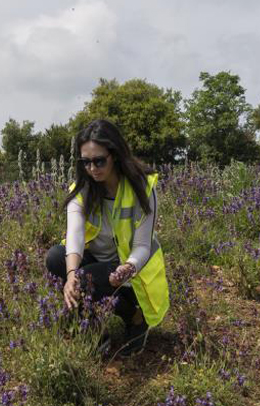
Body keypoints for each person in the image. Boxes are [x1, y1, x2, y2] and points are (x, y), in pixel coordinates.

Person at [45, 119, 169, 355]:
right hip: (97, 260)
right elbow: (75, 235)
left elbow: (143, 245)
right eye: (86, 162)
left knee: (86, 277)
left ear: (115, 155)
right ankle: (92, 327)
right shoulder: (82, 189)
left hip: (132, 267)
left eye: (99, 160)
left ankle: (135, 316)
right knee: (56, 258)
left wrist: (128, 268)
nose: (92, 168)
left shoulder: (141, 187)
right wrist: (70, 276)